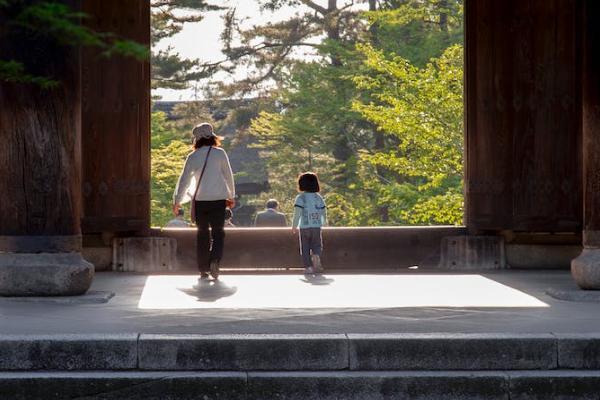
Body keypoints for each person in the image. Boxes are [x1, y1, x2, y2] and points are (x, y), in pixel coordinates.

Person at [173, 122, 235, 281]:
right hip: (219, 200)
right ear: (213, 137)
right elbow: (228, 176)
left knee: (202, 234)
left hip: (201, 201)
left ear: (197, 139)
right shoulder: (220, 153)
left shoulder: (193, 156)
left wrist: (177, 201)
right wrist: (231, 196)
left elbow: (184, 181)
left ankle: (203, 269)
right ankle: (215, 260)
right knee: (218, 233)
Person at [291, 172, 327, 275]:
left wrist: (294, 226)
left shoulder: (300, 198)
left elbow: (297, 213)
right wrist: (323, 222)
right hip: (316, 226)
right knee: (317, 245)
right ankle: (316, 256)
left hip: (304, 226)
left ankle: (308, 267)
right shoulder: (318, 197)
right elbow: (323, 211)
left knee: (305, 247)